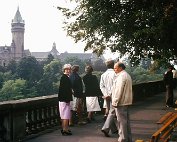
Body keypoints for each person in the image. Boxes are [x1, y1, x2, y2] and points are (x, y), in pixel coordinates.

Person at [112, 62, 133, 142]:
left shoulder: (121, 76)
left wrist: (115, 101)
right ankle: (128, 139)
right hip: (125, 101)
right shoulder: (126, 75)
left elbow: (118, 90)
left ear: (120, 68)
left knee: (121, 122)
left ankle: (123, 139)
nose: (114, 70)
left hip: (121, 102)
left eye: (115, 68)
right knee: (126, 122)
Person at [100, 59, 117, 137]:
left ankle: (114, 129)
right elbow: (116, 86)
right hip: (113, 95)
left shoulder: (103, 75)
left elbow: (101, 86)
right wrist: (110, 94)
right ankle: (106, 128)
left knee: (110, 111)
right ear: (113, 65)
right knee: (112, 112)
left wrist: (106, 94)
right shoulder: (115, 74)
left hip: (106, 96)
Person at [58, 64, 73, 136]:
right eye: (67, 69)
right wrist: (67, 99)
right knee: (65, 116)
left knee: (64, 115)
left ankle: (65, 129)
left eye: (69, 69)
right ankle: (65, 130)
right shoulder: (65, 78)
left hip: (63, 99)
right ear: (64, 70)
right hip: (65, 99)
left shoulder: (64, 77)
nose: (68, 70)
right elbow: (65, 90)